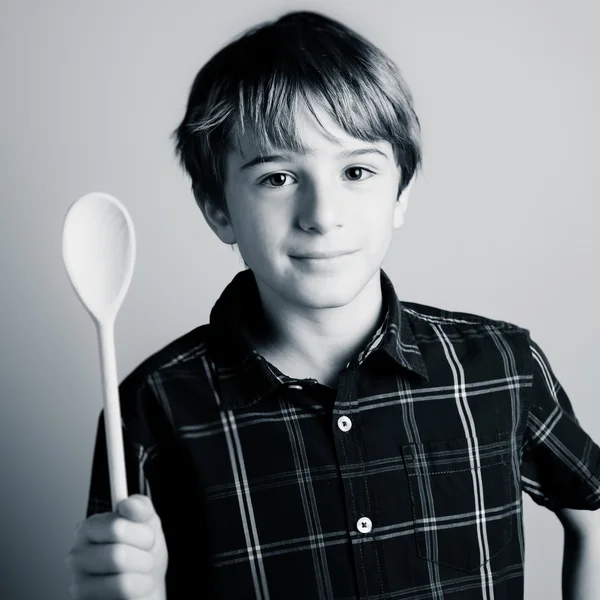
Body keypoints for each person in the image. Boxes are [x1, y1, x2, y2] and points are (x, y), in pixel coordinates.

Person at [65, 10, 600, 600]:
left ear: (399, 195)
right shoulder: (151, 408)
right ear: (218, 208)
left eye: (356, 171)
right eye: (276, 178)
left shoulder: (501, 365)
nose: (322, 215)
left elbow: (593, 511)